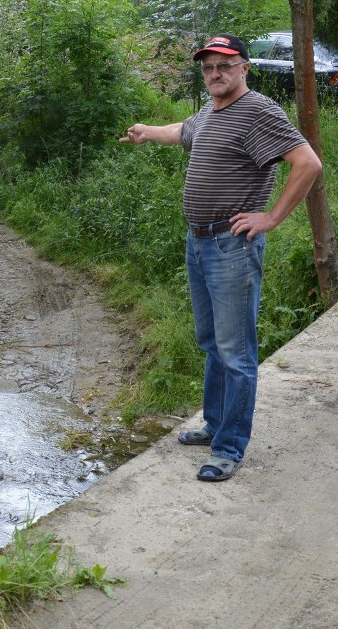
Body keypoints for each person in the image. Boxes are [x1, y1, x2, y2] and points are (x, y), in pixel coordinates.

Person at [121, 34, 322, 482]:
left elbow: (307, 163)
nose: (215, 73)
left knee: (236, 352)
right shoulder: (211, 111)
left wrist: (270, 217)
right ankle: (214, 425)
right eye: (209, 66)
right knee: (211, 343)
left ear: (244, 68)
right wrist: (147, 132)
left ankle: (230, 446)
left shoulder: (258, 112)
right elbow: (183, 131)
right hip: (200, 243)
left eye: (224, 66)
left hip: (231, 248)